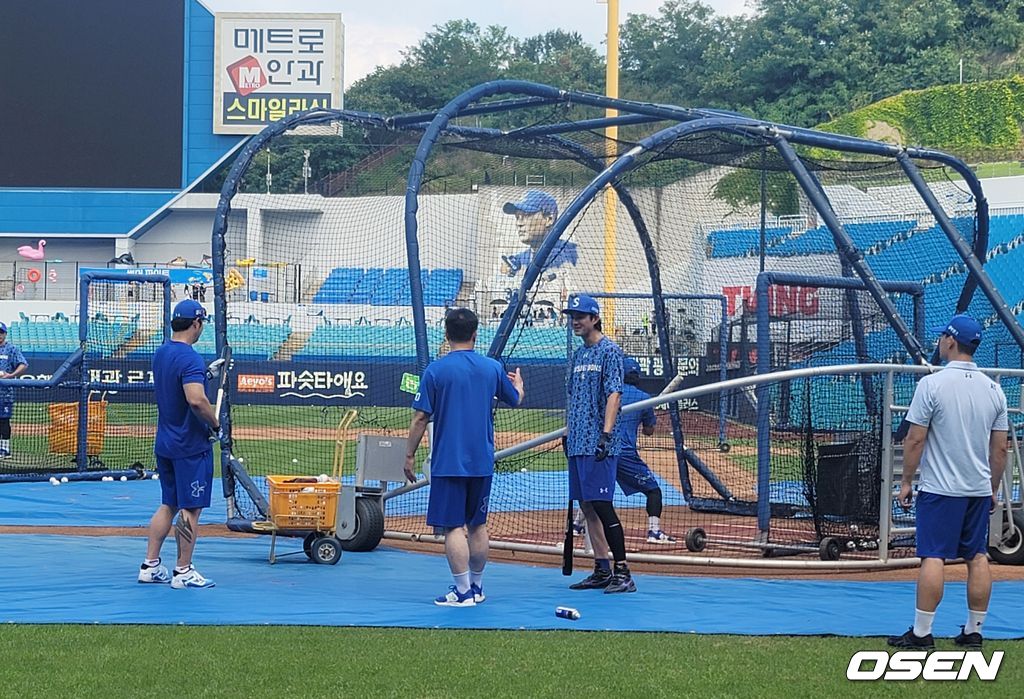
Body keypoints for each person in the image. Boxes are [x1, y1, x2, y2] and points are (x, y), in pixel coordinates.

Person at [888, 314, 1007, 650]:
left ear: (951, 341)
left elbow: (914, 439)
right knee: (977, 556)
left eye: (943, 337)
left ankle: (923, 633)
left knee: (933, 557)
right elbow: (999, 449)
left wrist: (906, 481)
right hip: (977, 489)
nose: (940, 342)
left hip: (941, 489)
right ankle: (974, 631)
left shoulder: (932, 384)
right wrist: (993, 489)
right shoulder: (993, 389)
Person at [404, 308, 525, 607]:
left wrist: (408, 455)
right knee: (478, 525)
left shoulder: (435, 370)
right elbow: (516, 398)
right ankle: (477, 587)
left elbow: (421, 418)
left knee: (453, 527)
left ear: (446, 335)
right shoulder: (492, 367)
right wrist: (520, 387)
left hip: (448, 461)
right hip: (482, 461)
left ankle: (462, 592)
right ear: (475, 334)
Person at [138, 299, 221, 589]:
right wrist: (216, 424)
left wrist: (204, 373)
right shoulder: (190, 358)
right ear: (196, 323)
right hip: (190, 445)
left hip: (166, 442)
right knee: (190, 509)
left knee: (168, 504)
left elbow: (178, 382)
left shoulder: (162, 352)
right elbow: (196, 399)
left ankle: (150, 565)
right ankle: (183, 570)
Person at [563, 293, 635, 594]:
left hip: (598, 443)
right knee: (587, 506)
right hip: (578, 442)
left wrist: (605, 435)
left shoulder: (610, 351)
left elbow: (614, 395)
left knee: (604, 506)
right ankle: (601, 567)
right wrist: (568, 432)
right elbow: (572, 398)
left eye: (580, 316)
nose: (575, 321)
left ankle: (623, 572)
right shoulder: (578, 356)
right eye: (572, 316)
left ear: (595, 318)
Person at [575, 357, 676, 544]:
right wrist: (647, 414)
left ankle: (577, 525)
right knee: (654, 491)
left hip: (600, 449)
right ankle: (654, 532)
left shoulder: (607, 393)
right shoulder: (643, 398)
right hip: (624, 453)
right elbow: (649, 431)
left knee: (595, 489)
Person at [501, 190, 578, 283]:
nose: (519, 223)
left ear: (549, 219)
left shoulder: (571, 253)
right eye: (517, 217)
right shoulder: (521, 258)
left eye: (526, 216)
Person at [0, 322, 28, 458]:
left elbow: (23, 364)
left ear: (5, 334)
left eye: (1, 332)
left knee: (4, 421)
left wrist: (10, 375)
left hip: (5, 393)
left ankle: (5, 449)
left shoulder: (11, 349)